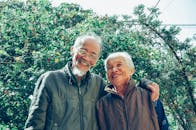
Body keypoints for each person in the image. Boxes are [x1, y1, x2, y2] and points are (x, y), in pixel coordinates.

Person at [24, 33, 160, 130]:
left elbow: (124, 90)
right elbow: (34, 123)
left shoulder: (99, 84)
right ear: (72, 50)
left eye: (93, 55)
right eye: (83, 51)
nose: (86, 58)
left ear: (96, 60)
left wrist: (145, 83)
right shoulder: (50, 79)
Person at [96, 52, 160, 130]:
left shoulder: (149, 94)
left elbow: (163, 124)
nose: (114, 70)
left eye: (119, 65)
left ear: (131, 70)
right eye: (109, 67)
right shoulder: (102, 104)